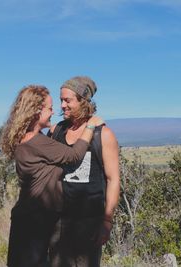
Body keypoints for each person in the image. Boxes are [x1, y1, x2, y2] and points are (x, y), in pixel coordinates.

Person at [0, 85, 104, 267]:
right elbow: (73, 156)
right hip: (33, 223)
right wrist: (90, 126)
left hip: (29, 220)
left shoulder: (29, 137)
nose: (53, 111)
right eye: (49, 108)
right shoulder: (37, 141)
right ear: (36, 112)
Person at [48, 76, 120, 267]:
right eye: (61, 100)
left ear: (83, 101)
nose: (62, 105)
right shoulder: (56, 132)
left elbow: (113, 179)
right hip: (58, 221)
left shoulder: (103, 135)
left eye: (68, 100)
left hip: (90, 222)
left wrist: (107, 221)